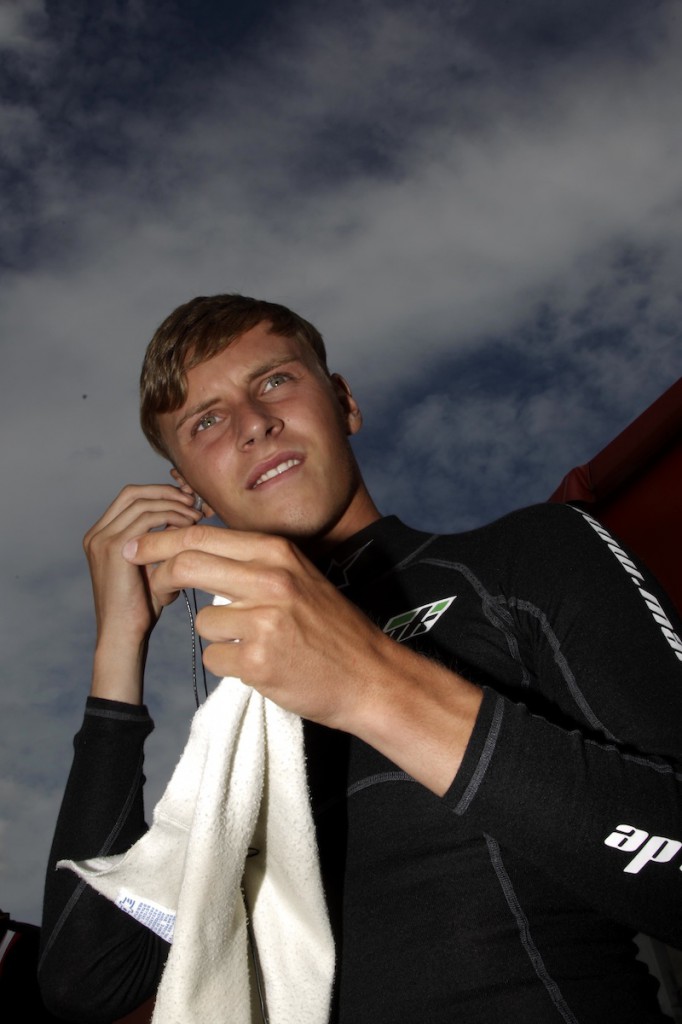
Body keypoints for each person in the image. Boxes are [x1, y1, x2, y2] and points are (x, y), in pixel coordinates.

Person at [40, 294, 682, 1023]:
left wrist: (374, 686)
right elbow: (89, 980)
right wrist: (118, 647)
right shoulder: (241, 724)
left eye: (275, 380)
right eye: (206, 421)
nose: (253, 424)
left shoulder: (529, 555)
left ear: (344, 402)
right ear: (187, 488)